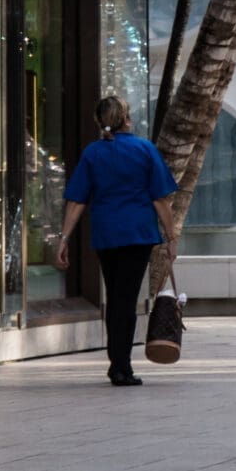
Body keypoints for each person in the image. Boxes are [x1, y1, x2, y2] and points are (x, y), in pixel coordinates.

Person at [55, 97, 178, 386]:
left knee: (115, 298)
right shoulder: (144, 149)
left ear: (100, 122)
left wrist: (64, 238)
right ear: (127, 118)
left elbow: (77, 201)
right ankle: (122, 367)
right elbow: (160, 200)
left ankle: (117, 363)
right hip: (137, 235)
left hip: (107, 235)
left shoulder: (93, 154)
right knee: (126, 299)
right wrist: (171, 237)